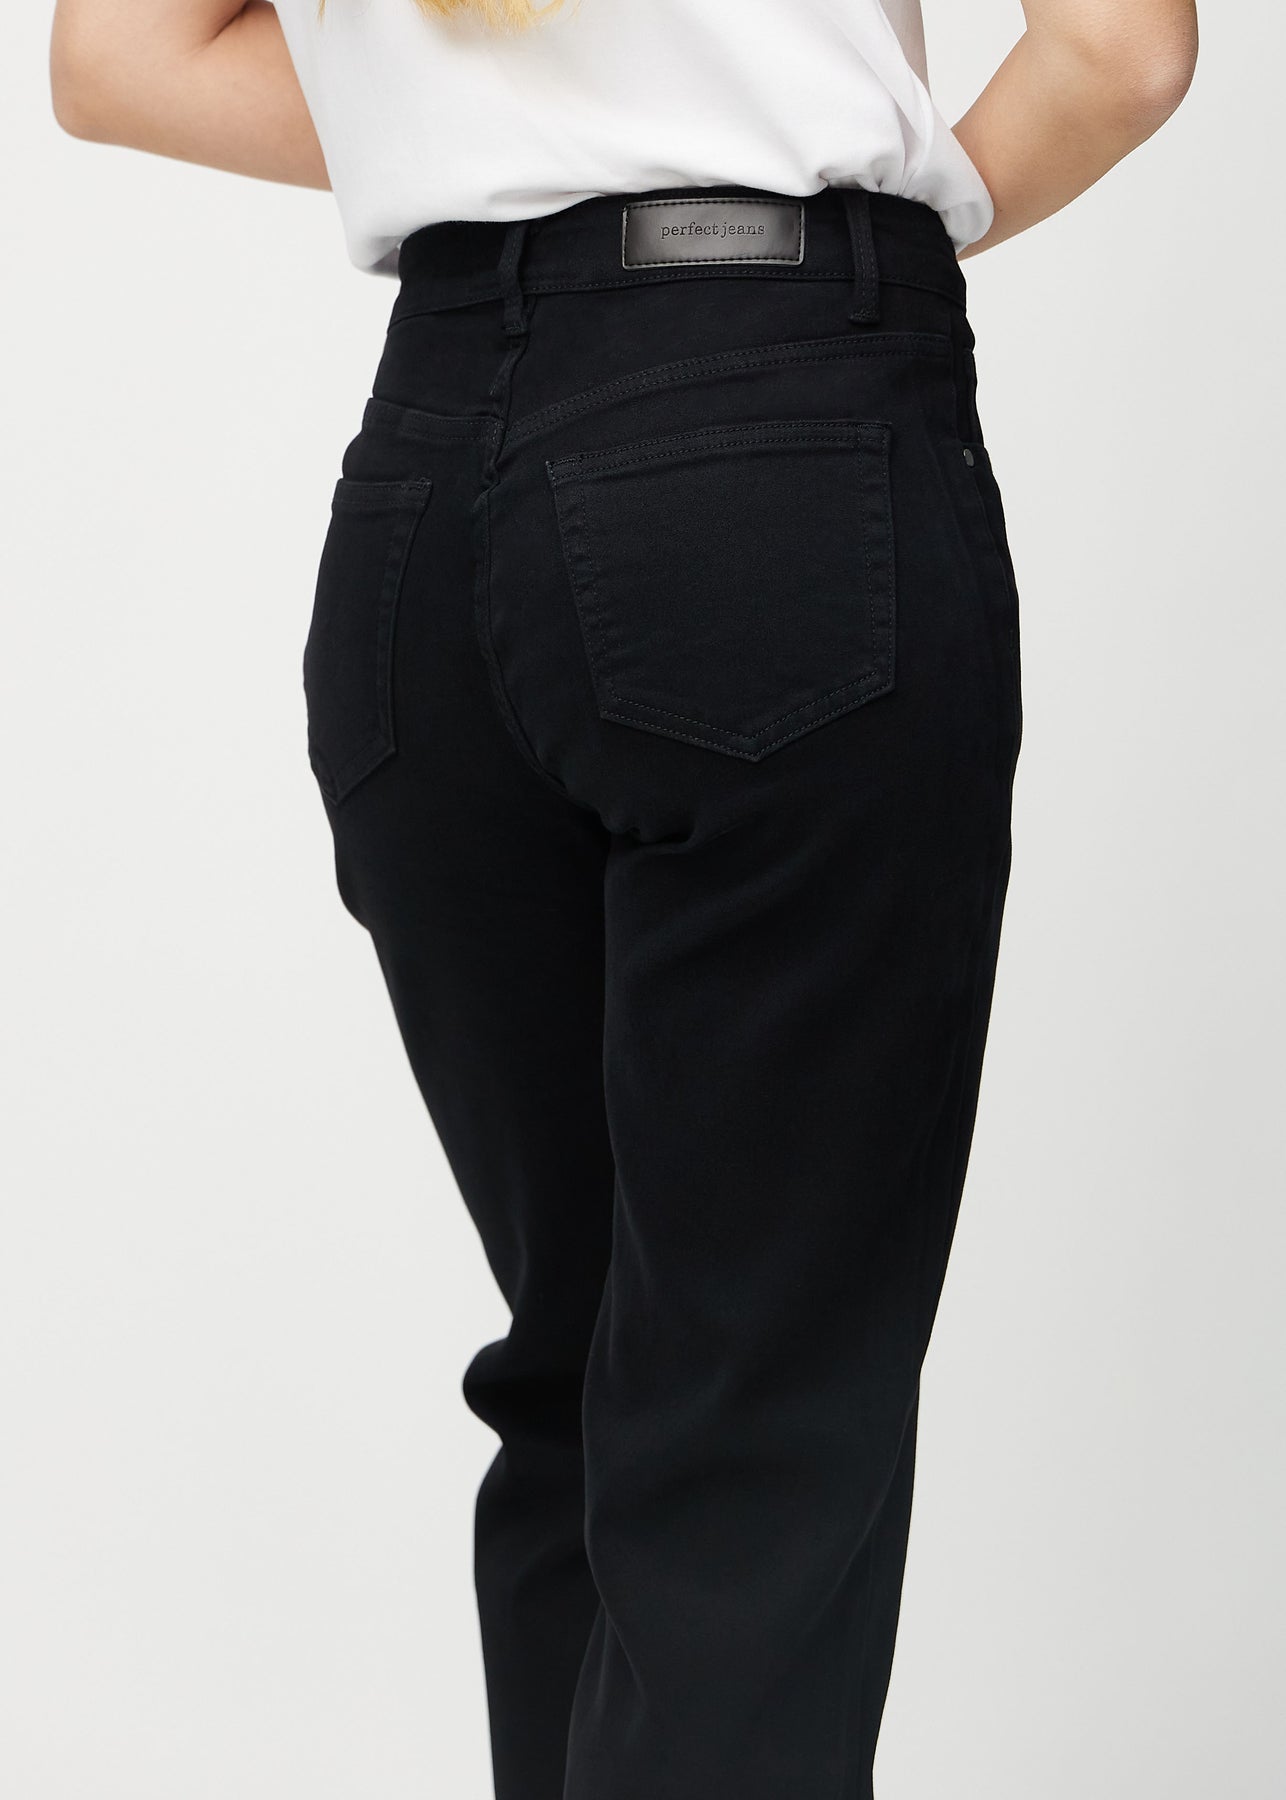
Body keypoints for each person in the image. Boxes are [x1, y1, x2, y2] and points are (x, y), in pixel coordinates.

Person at [48, 2, 1198, 1796]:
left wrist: (468, 130)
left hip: (426, 511)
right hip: (774, 449)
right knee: (746, 1428)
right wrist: (900, 201)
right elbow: (1121, 51)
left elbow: (117, 58)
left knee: (587, 1385)